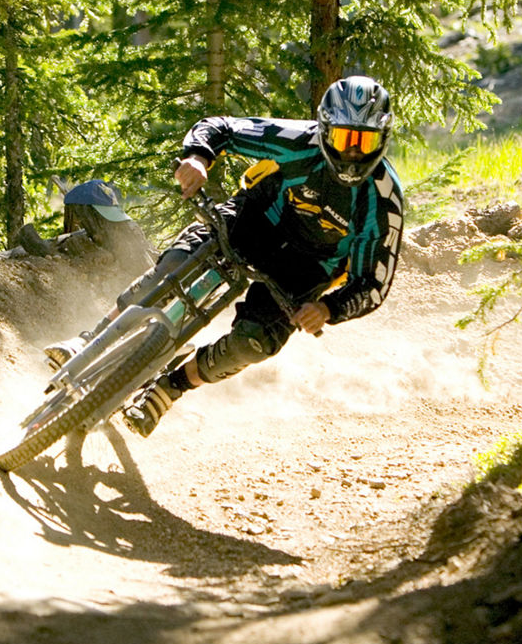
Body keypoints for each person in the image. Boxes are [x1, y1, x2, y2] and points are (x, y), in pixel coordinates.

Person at [49, 74, 404, 436]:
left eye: (365, 140)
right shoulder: (299, 141)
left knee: (255, 342)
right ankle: (90, 339)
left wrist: (330, 309)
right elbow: (221, 127)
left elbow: (372, 284)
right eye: (345, 138)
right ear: (325, 130)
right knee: (175, 263)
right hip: (256, 217)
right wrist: (200, 158)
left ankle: (169, 389)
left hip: (307, 266)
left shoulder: (383, 202)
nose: (352, 152)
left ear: (383, 138)